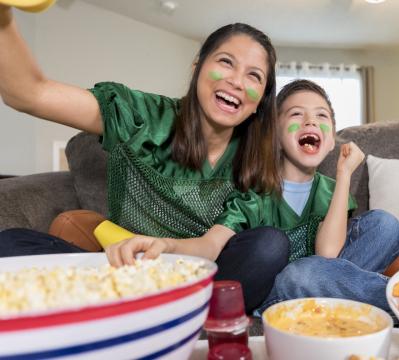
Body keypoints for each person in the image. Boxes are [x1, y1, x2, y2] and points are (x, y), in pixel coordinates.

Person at [0, 5, 289, 313]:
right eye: (226, 62)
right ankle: (137, 309)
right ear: (197, 67)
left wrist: (165, 247)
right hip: (124, 273)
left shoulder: (254, 163)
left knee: (270, 245)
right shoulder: (141, 117)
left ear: (260, 101)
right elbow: (29, 94)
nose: (236, 81)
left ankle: (163, 313)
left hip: (198, 276)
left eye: (254, 76)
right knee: (11, 244)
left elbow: (210, 246)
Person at [107, 80, 399, 313]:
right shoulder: (255, 192)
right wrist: (167, 245)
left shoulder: (331, 189)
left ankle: (334, 305)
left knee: (385, 225)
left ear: (330, 142)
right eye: (297, 114)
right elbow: (212, 245)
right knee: (301, 275)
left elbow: (330, 254)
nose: (311, 123)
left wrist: (343, 176)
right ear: (274, 135)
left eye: (321, 116)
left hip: (320, 277)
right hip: (279, 289)